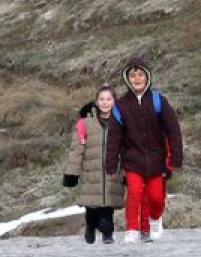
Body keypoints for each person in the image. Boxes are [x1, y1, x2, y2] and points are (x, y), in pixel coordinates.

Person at [105, 56, 184, 244]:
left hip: (157, 161)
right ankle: (133, 229)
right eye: (133, 76)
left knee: (155, 197)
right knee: (134, 192)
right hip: (133, 159)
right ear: (127, 79)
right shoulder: (121, 106)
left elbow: (173, 130)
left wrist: (176, 157)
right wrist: (111, 163)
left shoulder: (159, 101)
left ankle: (155, 220)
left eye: (140, 75)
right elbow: (114, 137)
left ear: (147, 77)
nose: (137, 79)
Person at [62, 85, 125, 244]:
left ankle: (107, 234)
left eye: (109, 99)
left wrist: (128, 172)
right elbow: (76, 150)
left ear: (114, 101)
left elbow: (127, 149)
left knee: (107, 207)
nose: (105, 102)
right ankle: (90, 225)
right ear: (96, 102)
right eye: (102, 99)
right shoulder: (85, 123)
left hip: (113, 171)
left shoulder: (121, 122)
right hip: (91, 172)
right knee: (92, 206)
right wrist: (71, 173)